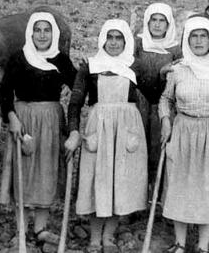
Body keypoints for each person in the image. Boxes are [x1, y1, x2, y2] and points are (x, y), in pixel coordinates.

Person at [64, 19, 149, 253]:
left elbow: (153, 92)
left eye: (118, 38)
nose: (113, 43)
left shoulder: (136, 66)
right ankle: (94, 237)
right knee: (97, 180)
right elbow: (75, 103)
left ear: (126, 41)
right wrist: (73, 131)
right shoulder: (89, 66)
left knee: (119, 182)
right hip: (98, 128)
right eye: (109, 38)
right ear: (102, 39)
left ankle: (109, 236)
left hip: (126, 129)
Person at [159, 16, 209, 253]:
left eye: (203, 35)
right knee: (180, 187)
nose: (198, 40)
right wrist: (165, 120)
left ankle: (203, 246)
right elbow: (166, 99)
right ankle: (180, 243)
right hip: (183, 132)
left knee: (208, 190)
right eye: (193, 36)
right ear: (187, 39)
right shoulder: (179, 69)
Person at [0, 12, 76, 245]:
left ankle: (41, 229)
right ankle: (21, 229)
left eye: (47, 30)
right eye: (38, 30)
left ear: (53, 34)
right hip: (24, 119)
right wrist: (11, 116)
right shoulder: (18, 57)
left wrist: (89, 73)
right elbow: (5, 92)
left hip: (52, 120)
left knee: (46, 170)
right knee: (23, 171)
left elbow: (79, 88)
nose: (42, 35)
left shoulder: (61, 59)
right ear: (30, 32)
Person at [134, 2, 182, 186]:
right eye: (153, 19)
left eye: (162, 20)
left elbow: (177, 79)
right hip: (139, 102)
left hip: (163, 105)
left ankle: (157, 196)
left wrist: (163, 75)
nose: (157, 24)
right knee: (138, 147)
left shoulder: (175, 49)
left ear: (169, 24)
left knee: (158, 149)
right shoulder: (138, 43)